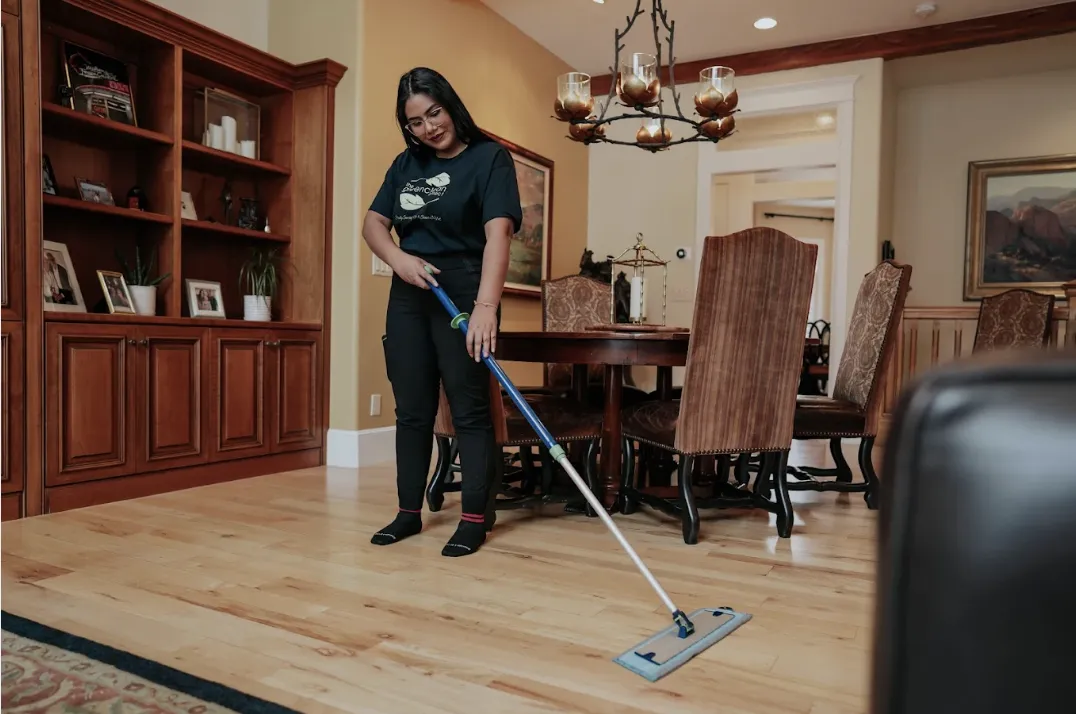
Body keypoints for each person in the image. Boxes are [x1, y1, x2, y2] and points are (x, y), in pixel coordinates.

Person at [362, 67, 522, 557]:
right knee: (412, 410)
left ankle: (475, 517)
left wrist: (486, 308)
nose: (429, 127)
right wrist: (398, 259)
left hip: (464, 287)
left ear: (450, 105)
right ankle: (408, 512)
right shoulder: (405, 164)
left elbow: (499, 235)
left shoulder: (490, 158)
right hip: (410, 291)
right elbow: (373, 223)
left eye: (434, 112)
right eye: (415, 121)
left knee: (470, 408)